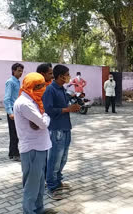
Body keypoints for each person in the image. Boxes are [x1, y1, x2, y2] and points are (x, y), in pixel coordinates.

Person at [13, 73, 57, 214]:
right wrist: (45, 115)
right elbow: (43, 123)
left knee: (39, 184)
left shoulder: (33, 99)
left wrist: (42, 116)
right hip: (32, 149)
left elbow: (40, 122)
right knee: (32, 186)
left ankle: (38, 209)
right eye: (39, 86)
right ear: (30, 86)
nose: (43, 88)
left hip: (40, 146)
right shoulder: (24, 103)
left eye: (43, 85)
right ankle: (29, 211)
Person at [43, 65, 81, 200]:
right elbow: (48, 110)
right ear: (60, 76)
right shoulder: (50, 90)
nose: (69, 76)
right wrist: (67, 109)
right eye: (67, 74)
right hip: (56, 129)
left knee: (63, 158)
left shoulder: (61, 89)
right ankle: (51, 186)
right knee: (54, 159)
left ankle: (58, 181)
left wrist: (73, 106)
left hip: (66, 127)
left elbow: (66, 105)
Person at [4, 63, 24, 161]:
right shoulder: (10, 82)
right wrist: (10, 112)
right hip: (12, 111)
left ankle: (12, 153)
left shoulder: (17, 82)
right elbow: (7, 99)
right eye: (19, 70)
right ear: (13, 71)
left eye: (21, 71)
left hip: (17, 110)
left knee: (15, 132)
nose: (21, 73)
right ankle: (15, 154)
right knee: (14, 133)